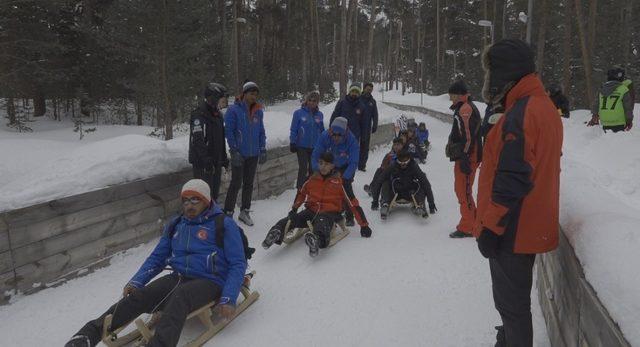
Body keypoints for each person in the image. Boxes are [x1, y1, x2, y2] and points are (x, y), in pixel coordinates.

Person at [64, 179, 247, 347]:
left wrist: (229, 297)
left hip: (211, 280)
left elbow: (238, 263)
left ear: (206, 201)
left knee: (180, 296)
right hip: (179, 277)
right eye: (185, 200)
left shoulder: (223, 224)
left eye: (195, 200)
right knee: (142, 295)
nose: (189, 205)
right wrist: (136, 281)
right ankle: (89, 334)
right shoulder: (176, 225)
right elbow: (157, 258)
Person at [476, 39, 563, 347]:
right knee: (513, 306)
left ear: (504, 75)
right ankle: (509, 338)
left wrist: (491, 228)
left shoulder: (521, 114)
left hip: (511, 230)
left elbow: (512, 179)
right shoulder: (541, 106)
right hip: (525, 226)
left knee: (513, 308)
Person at [262, 152, 372, 257]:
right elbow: (301, 193)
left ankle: (317, 240)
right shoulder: (312, 178)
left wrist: (364, 225)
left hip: (330, 212)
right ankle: (275, 232)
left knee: (322, 221)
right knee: (292, 219)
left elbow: (352, 203)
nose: (323, 166)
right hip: (311, 210)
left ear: (332, 166)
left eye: (327, 164)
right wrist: (294, 209)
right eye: (321, 163)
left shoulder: (340, 182)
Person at [224, 81, 267, 226]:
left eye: (256, 94)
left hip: (253, 154)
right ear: (244, 94)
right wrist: (234, 151)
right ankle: (228, 213)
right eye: (251, 93)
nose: (253, 96)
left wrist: (262, 149)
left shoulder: (258, 111)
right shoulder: (233, 110)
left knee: (249, 183)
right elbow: (229, 132)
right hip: (239, 154)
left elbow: (261, 131)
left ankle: (245, 211)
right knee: (236, 183)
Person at [445, 79, 482, 239]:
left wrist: (466, 156)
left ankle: (469, 226)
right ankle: (472, 221)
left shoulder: (465, 109)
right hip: (464, 156)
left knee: (464, 191)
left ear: (458, 94)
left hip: (468, 156)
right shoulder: (462, 107)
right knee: (460, 190)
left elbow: (468, 137)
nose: (450, 98)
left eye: (451, 95)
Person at [312, 117, 360, 227]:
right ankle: (319, 210)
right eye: (334, 134)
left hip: (346, 166)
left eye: (340, 135)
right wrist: (317, 170)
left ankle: (349, 215)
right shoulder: (324, 136)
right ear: (330, 132)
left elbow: (354, 161)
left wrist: (345, 177)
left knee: (344, 188)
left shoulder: (352, 140)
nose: (336, 137)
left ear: (345, 133)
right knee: (323, 185)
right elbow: (315, 155)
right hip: (330, 164)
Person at [189, 82, 230, 201]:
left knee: (214, 194)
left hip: (215, 161)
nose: (223, 104)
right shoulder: (199, 115)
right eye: (221, 100)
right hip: (202, 164)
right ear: (213, 99)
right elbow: (197, 140)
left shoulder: (218, 116)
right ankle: (203, 218)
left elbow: (220, 139)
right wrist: (205, 159)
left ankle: (212, 217)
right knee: (203, 196)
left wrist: (223, 158)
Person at [369, 150, 436, 219]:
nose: (403, 164)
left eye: (405, 161)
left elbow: (426, 184)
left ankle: (420, 204)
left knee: (422, 182)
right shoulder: (393, 166)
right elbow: (379, 181)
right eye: (400, 161)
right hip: (395, 192)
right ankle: (385, 203)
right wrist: (375, 201)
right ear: (397, 160)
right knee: (385, 182)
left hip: (410, 192)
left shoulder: (414, 166)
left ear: (409, 160)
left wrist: (431, 204)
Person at [290, 91, 325, 190]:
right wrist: (292, 142)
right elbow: (293, 129)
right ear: (306, 100)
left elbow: (322, 130)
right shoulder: (298, 113)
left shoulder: (320, 114)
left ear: (317, 102)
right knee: (303, 167)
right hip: (301, 146)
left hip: (315, 146)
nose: (312, 102)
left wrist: (324, 143)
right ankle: (300, 188)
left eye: (314, 101)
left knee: (313, 168)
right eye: (310, 100)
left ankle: (310, 187)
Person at [588, 66, 634, 132]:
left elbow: (596, 104)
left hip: (605, 122)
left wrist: (594, 115)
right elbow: (627, 108)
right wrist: (629, 120)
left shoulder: (601, 89)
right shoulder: (623, 89)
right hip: (619, 122)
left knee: (607, 141)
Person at [358, 82, 379, 171]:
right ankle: (353, 163)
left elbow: (375, 114)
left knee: (365, 147)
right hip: (357, 127)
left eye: (371, 89)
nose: (369, 90)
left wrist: (375, 125)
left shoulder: (372, 101)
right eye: (368, 88)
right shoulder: (358, 99)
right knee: (355, 146)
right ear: (364, 88)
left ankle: (362, 165)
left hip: (366, 128)